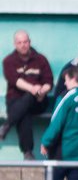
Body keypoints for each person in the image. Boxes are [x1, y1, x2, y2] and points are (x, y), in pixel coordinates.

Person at [2, 30, 54, 160]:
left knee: (28, 101)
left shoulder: (40, 59)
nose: (23, 45)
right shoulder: (9, 61)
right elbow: (15, 81)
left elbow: (49, 81)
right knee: (24, 111)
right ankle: (28, 152)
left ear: (29, 42)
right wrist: (33, 89)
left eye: (25, 42)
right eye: (19, 42)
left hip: (39, 100)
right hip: (15, 100)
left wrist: (42, 91)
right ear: (15, 44)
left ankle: (7, 126)